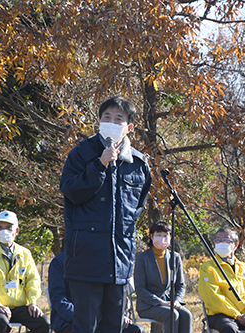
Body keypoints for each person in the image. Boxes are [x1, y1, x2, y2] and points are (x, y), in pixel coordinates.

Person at [60, 96, 152, 333]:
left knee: (113, 326)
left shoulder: (139, 164)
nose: (111, 122)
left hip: (119, 261)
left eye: (118, 119)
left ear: (129, 127)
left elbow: (135, 210)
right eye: (106, 117)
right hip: (85, 258)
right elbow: (71, 192)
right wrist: (99, 166)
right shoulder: (81, 154)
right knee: (85, 326)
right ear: (99, 121)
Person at [0, 210, 51, 333]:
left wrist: (33, 303)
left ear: (16, 231)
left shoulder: (25, 253)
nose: (4, 231)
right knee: (1, 323)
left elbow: (33, 280)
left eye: (9, 227)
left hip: (20, 307)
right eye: (0, 227)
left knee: (44, 323)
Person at [48, 253, 145, 333]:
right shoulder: (59, 262)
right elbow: (58, 298)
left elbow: (111, 293)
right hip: (71, 320)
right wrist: (81, 317)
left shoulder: (100, 261)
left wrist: (121, 315)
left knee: (136, 330)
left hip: (101, 318)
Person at [133, 221, 192, 333]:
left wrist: (177, 300)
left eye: (165, 235)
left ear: (170, 238)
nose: (162, 238)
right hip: (148, 305)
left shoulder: (175, 257)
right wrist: (161, 302)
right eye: (158, 235)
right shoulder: (142, 258)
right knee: (172, 314)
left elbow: (180, 285)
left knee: (187, 315)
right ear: (151, 236)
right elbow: (140, 289)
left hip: (170, 302)